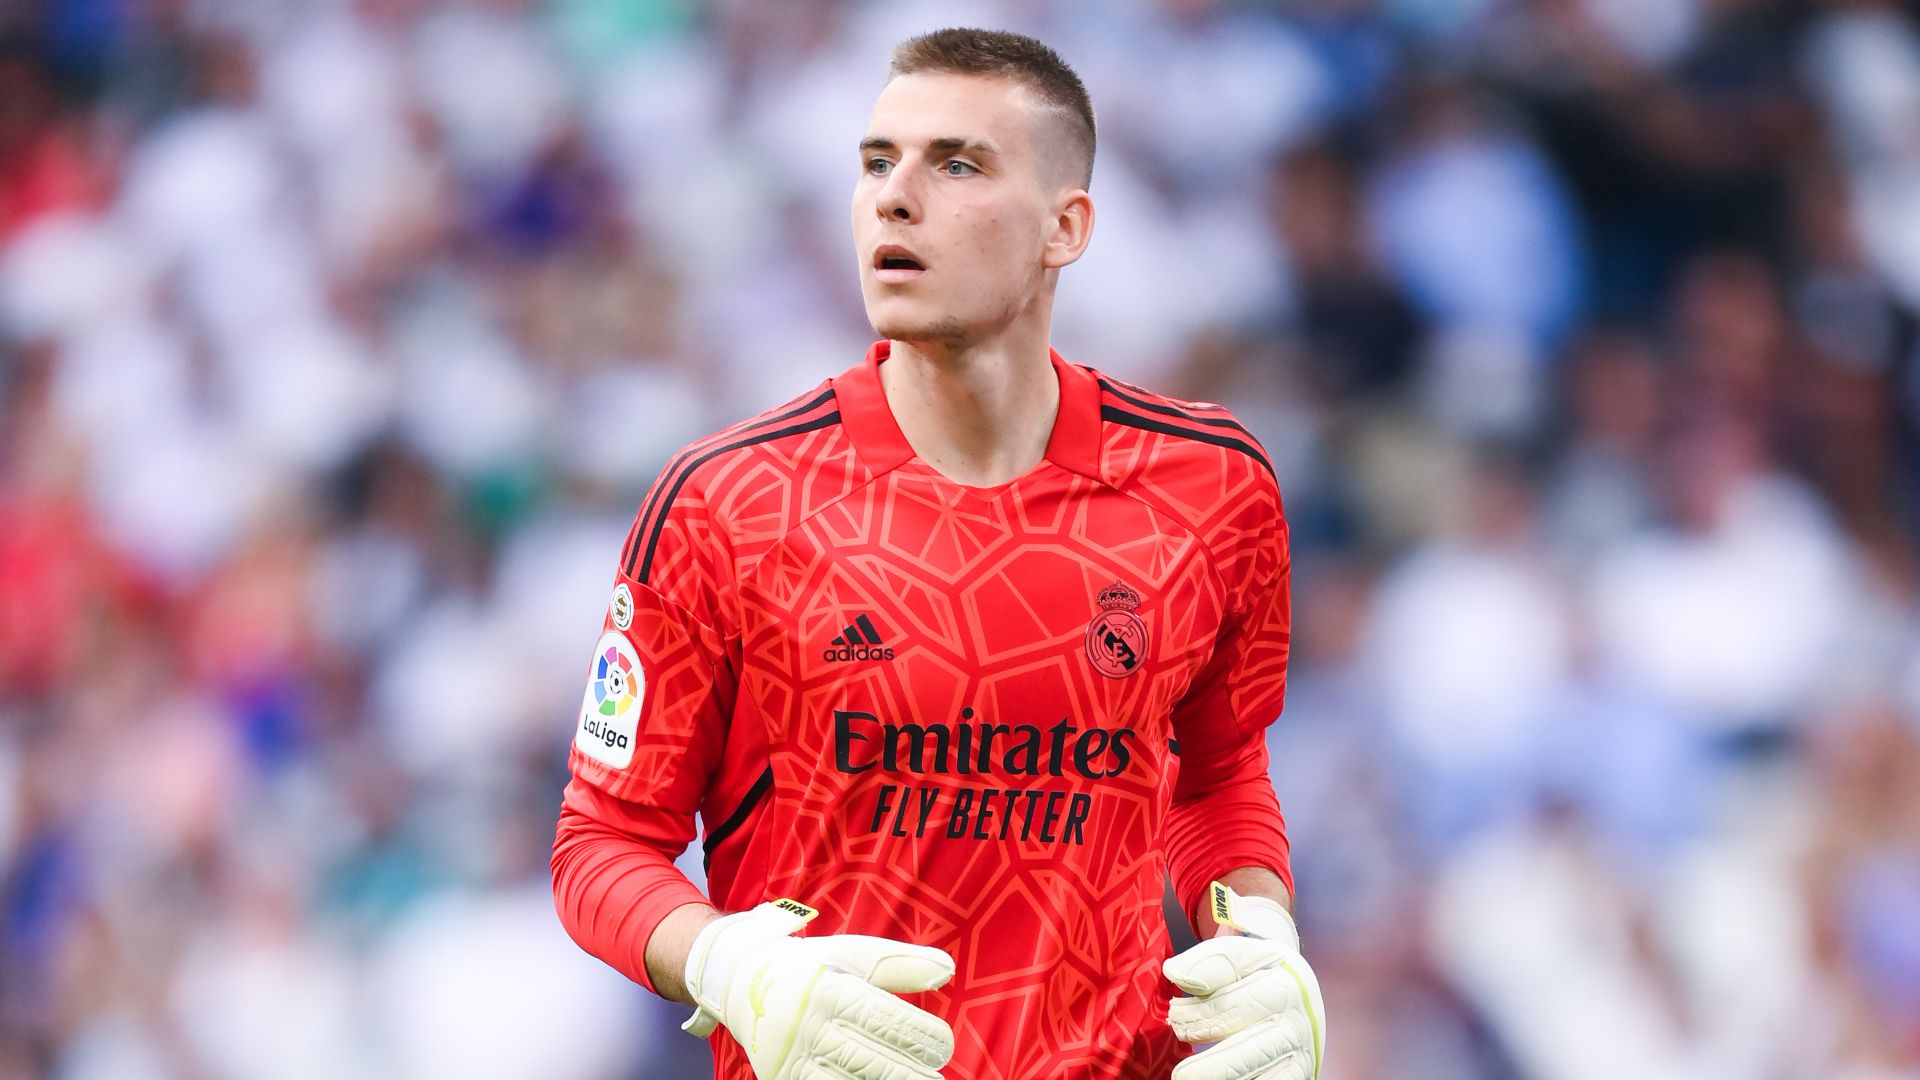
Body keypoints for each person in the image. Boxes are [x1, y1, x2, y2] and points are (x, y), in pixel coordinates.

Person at [551, 27, 1325, 1080]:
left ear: (1065, 227)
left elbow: (1220, 776)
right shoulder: (726, 502)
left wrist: (1263, 935)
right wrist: (724, 962)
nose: (894, 198)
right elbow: (600, 845)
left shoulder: (1213, 486)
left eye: (956, 165)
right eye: (877, 163)